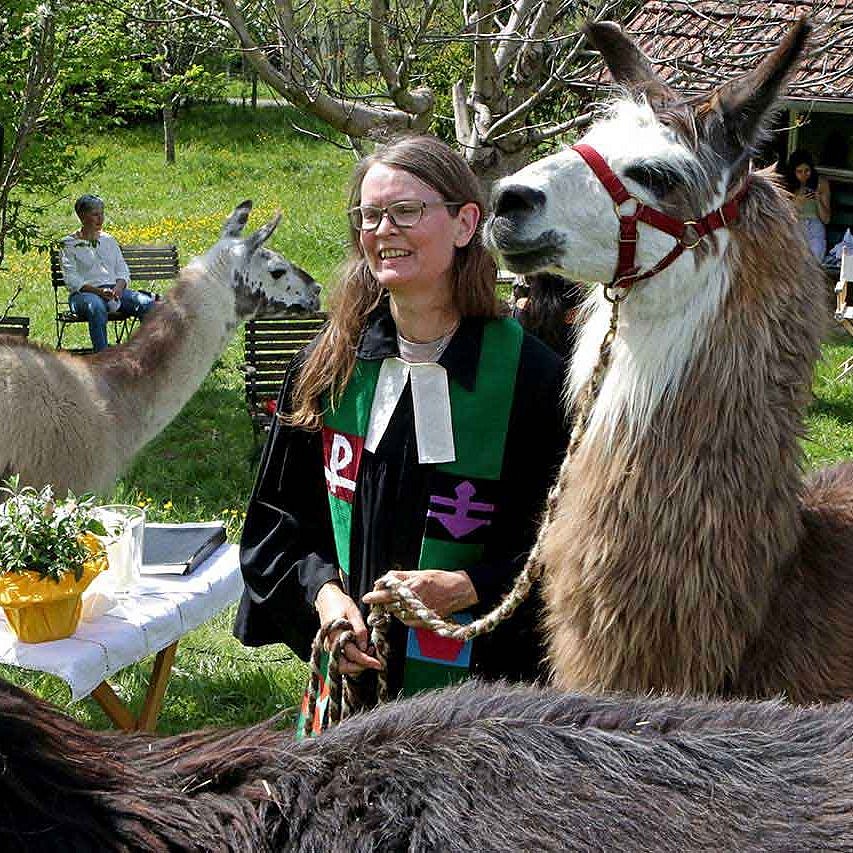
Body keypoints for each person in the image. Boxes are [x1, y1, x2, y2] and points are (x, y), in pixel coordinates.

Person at [234, 135, 569, 729]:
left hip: (485, 709)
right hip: (352, 697)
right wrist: (327, 601)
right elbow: (278, 526)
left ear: (466, 223)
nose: (383, 230)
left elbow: (570, 547)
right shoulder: (329, 367)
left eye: (406, 211)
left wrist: (468, 586)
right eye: (369, 216)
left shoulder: (535, 379)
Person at [59, 194, 155, 352]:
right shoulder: (69, 243)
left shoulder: (109, 240)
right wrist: (98, 291)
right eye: (95, 214)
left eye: (102, 213)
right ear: (82, 216)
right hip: (84, 295)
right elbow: (72, 280)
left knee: (148, 305)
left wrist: (118, 288)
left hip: (114, 291)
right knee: (95, 306)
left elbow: (122, 270)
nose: (100, 219)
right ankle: (102, 359)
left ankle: (145, 354)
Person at [785, 150, 831, 261]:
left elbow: (826, 219)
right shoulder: (786, 185)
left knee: (814, 261)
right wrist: (795, 203)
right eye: (799, 171)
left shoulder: (820, 183)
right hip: (795, 228)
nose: (804, 175)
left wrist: (818, 199)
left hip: (815, 228)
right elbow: (783, 218)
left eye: (807, 171)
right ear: (793, 171)